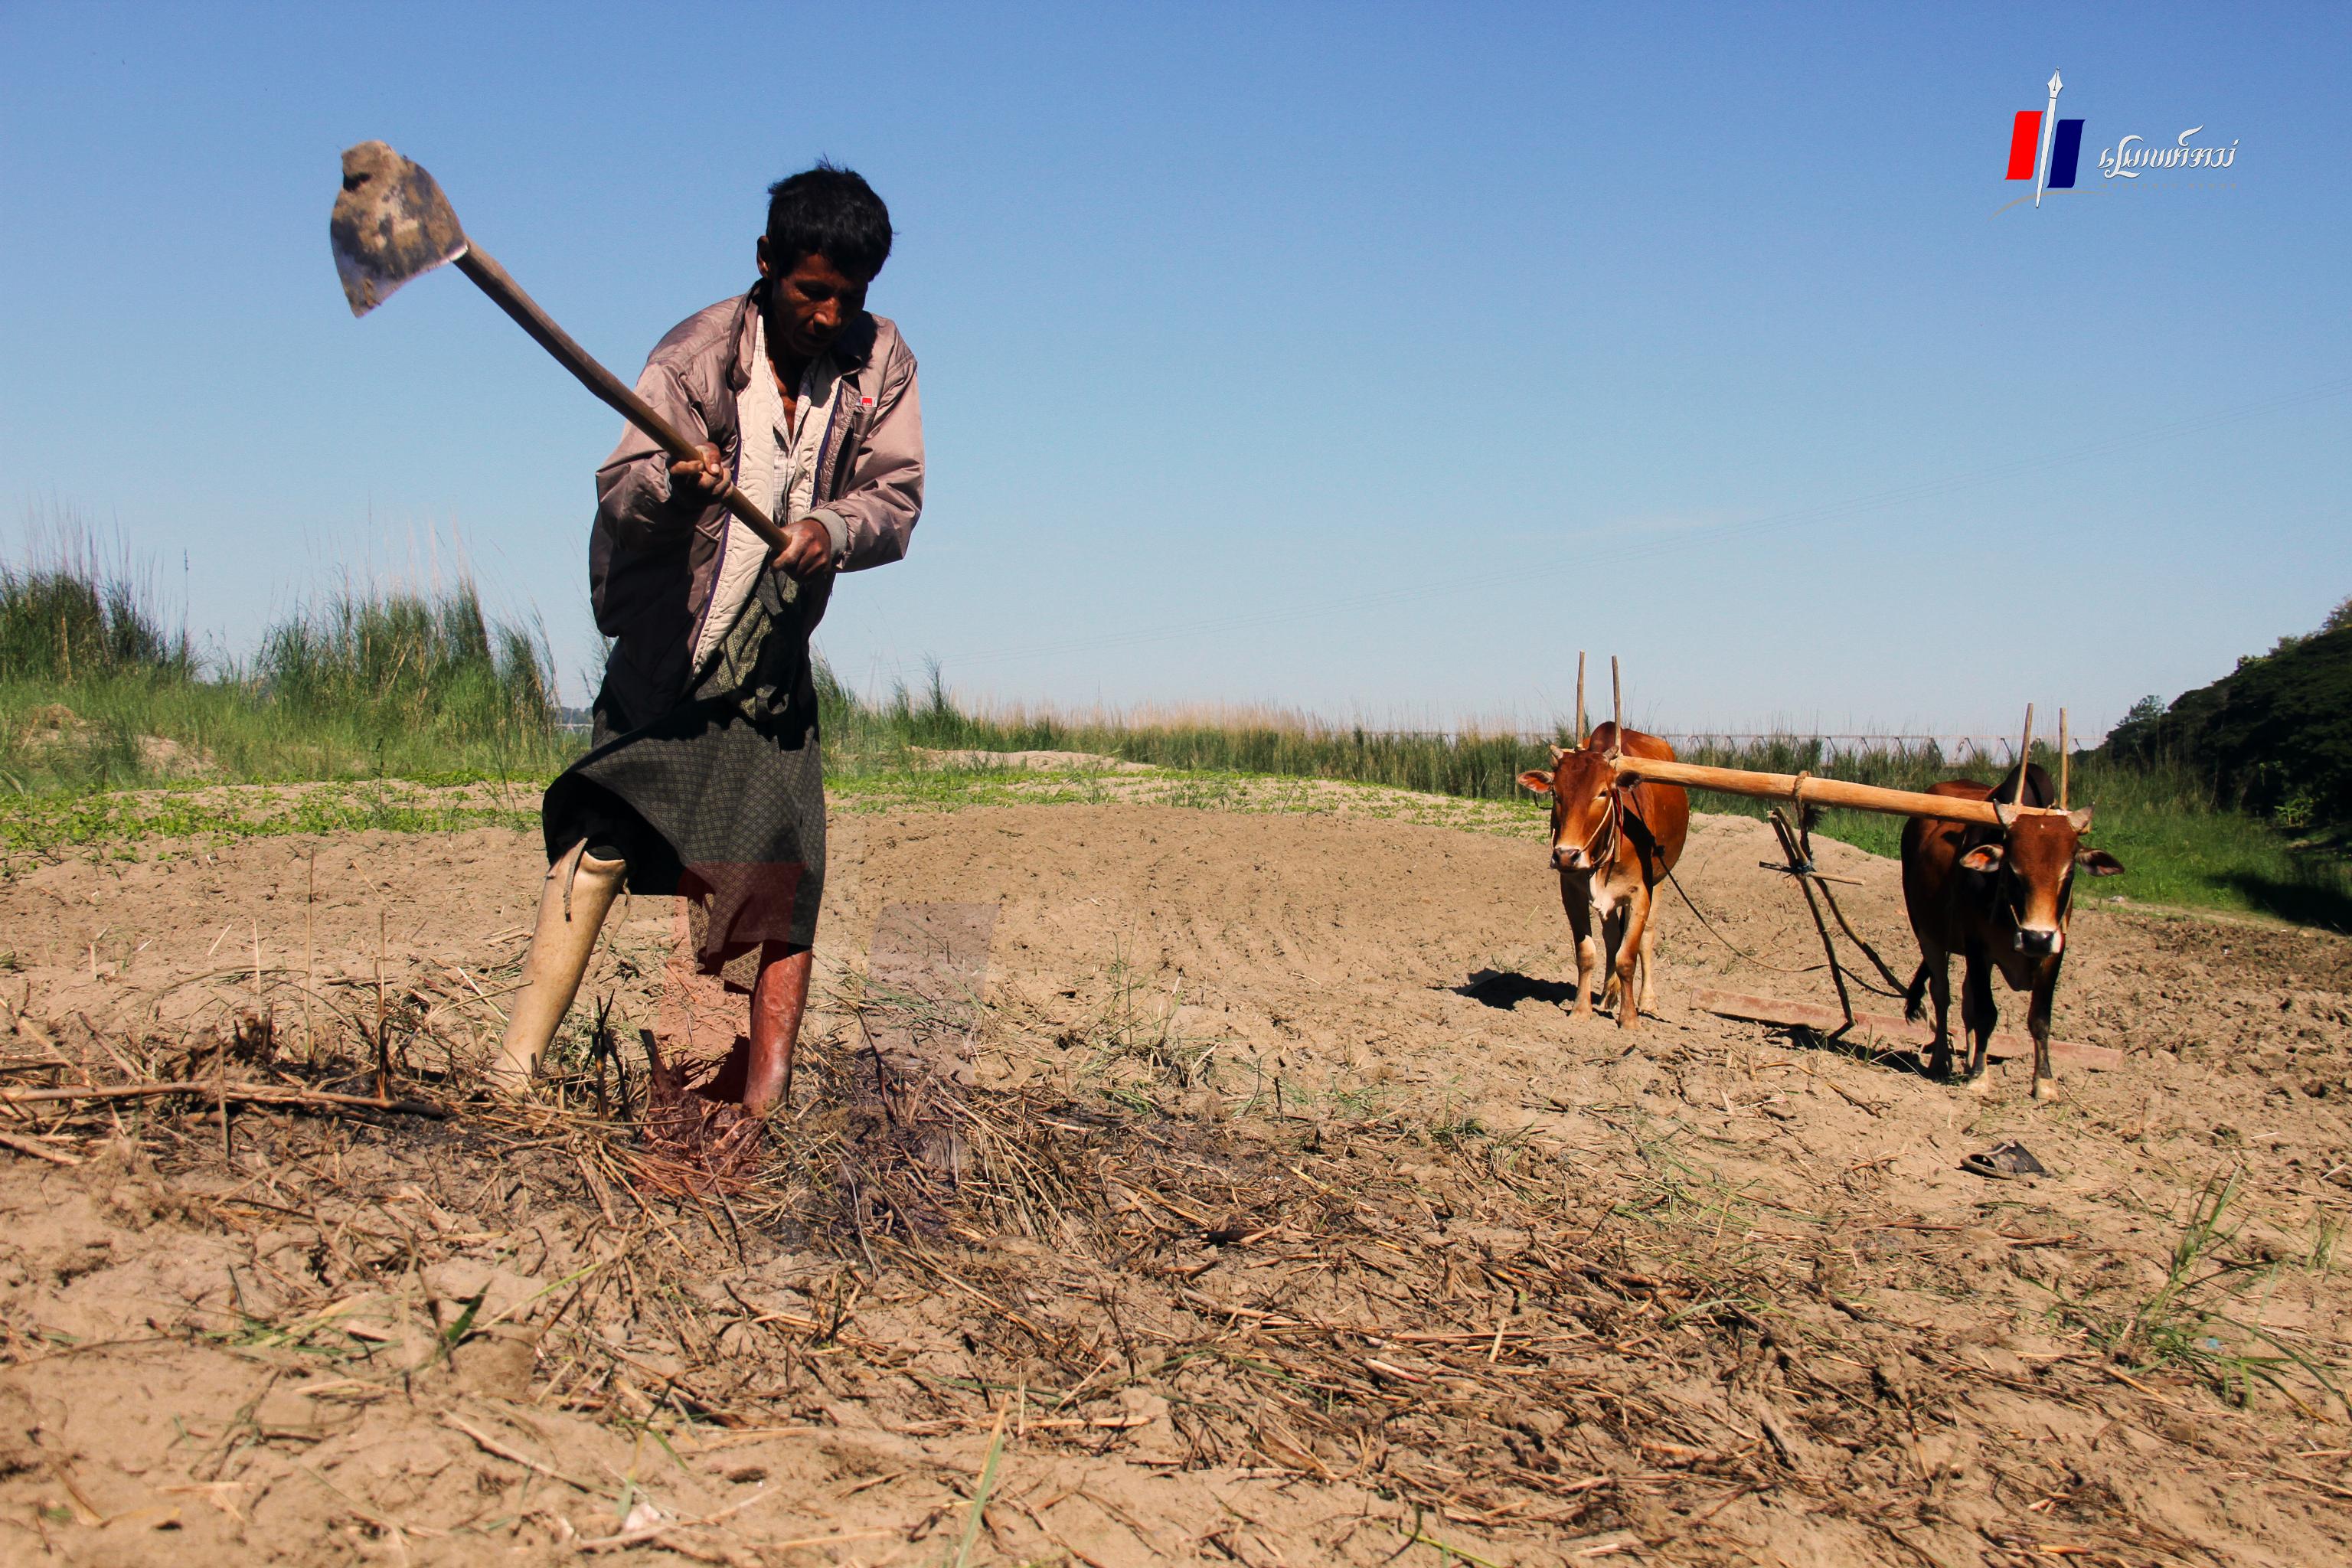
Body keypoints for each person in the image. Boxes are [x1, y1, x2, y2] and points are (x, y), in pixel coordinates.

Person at [490, 162, 923, 1114]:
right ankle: (511, 1071)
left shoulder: (879, 360)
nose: (827, 314)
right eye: (811, 292)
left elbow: (895, 497)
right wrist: (676, 484)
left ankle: (751, 1111)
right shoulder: (692, 358)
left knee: (779, 868)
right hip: (672, 640)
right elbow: (621, 490)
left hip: (770, 660)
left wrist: (833, 529)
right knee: (602, 831)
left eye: (847, 298)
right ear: (766, 263)